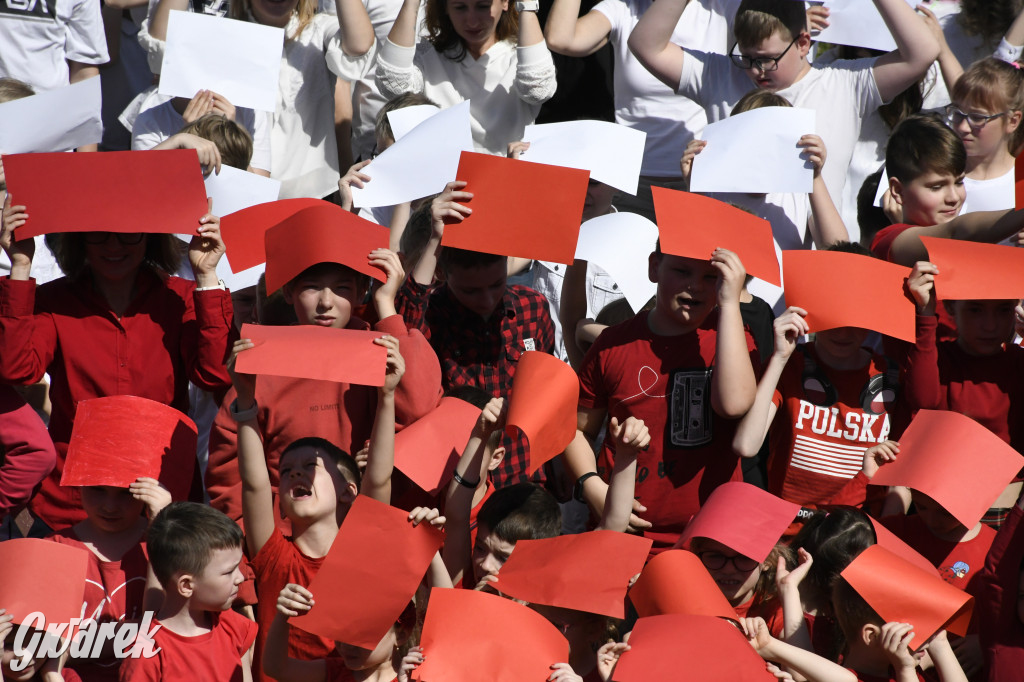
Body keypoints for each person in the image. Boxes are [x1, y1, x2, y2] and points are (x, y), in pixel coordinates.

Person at [0, 198, 234, 533]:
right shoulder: (54, 301)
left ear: (150, 237)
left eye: (128, 234)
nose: (113, 246)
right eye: (99, 235)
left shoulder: (181, 297)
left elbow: (212, 374)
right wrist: (20, 267)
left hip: (160, 498)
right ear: (79, 239)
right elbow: (18, 370)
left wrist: (207, 275)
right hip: (73, 505)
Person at [205, 231, 441, 527]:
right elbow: (230, 476)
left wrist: (387, 307)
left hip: (370, 527)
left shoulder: (381, 349)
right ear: (289, 291)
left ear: (360, 292)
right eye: (312, 288)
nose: (326, 302)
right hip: (289, 540)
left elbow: (420, 407)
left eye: (341, 288)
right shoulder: (261, 363)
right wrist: (258, 549)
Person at [628, 0, 939, 218]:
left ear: (803, 43)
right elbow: (645, 45)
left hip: (816, 257)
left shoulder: (844, 83)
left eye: (768, 58)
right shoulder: (721, 74)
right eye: (746, 58)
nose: (755, 71)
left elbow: (922, 53)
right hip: (731, 255)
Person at [227, 331, 405, 681]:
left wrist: (387, 396)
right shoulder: (275, 554)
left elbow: (380, 479)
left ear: (349, 491)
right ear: (280, 506)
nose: (296, 474)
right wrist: (246, 403)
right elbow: (254, 482)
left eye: (311, 466)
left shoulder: (361, 550)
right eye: (287, 471)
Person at [562, 240, 758, 552]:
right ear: (654, 267)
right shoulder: (613, 343)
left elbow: (734, 403)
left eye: (711, 277)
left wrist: (731, 304)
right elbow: (577, 429)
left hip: (709, 541)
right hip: (623, 535)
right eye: (682, 271)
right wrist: (592, 486)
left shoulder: (733, 338)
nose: (695, 286)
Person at [395, 183, 555, 487]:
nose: (485, 299)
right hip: (456, 483)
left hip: (525, 480)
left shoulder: (532, 308)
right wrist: (434, 240)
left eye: (496, 284)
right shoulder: (431, 315)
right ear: (442, 273)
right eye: (470, 290)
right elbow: (402, 330)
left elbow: (545, 397)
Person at [731, 243, 904, 514]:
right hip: (788, 531)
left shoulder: (890, 376)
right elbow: (746, 445)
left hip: (859, 531)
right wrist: (779, 357)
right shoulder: (790, 364)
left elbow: (900, 473)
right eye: (833, 313)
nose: (843, 332)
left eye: (854, 318)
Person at [142, 0, 375, 198]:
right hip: (243, 185)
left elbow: (359, 45)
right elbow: (161, 45)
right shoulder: (222, 32)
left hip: (312, 193)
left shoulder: (319, 29)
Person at [903, 261, 1024, 525]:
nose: (990, 325)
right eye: (975, 310)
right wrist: (924, 313)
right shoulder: (937, 357)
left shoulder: (1018, 361)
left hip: (1006, 508)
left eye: (1003, 310)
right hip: (940, 508)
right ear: (949, 307)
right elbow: (922, 402)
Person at [375, 0, 557, 155]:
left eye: (483, 6)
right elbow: (394, 87)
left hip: (508, 182)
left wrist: (527, 5)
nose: (472, 21)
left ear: (505, 2)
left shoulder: (522, 56)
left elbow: (538, 90)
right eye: (460, 7)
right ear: (445, 6)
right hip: (444, 188)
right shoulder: (428, 55)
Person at [48, 478, 170, 681]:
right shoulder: (54, 548)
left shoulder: (171, 545)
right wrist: (140, 631)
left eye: (126, 492)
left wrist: (163, 530)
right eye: (97, 489)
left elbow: (169, 632)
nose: (109, 506)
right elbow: (39, 649)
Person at [119, 502, 256, 682]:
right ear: (186, 586)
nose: (240, 578)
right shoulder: (146, 653)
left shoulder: (234, 626)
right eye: (229, 572)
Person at [831, 577, 967, 682]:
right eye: (916, 627)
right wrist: (906, 671)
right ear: (872, 636)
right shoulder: (902, 666)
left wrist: (940, 643)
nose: (926, 640)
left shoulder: (899, 664)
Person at [946, 59, 1024, 218]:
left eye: (977, 117)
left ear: (1012, 121)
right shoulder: (936, 174)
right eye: (958, 113)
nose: (962, 127)